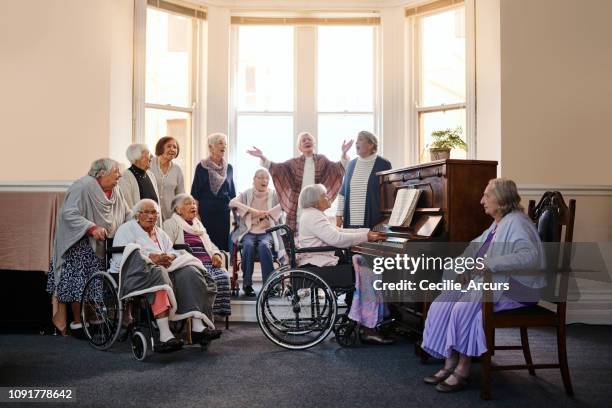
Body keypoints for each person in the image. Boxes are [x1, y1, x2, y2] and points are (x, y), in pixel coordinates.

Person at [421, 178, 545, 392]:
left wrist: (490, 264)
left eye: (487, 195)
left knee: (464, 308)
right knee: (444, 302)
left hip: (516, 290)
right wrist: (462, 267)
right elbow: (474, 249)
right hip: (496, 285)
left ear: (502, 199)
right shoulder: (498, 224)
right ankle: (449, 361)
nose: (481, 201)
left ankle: (462, 367)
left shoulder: (517, 223)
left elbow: (530, 256)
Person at [111, 199, 221, 349]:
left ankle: (197, 326)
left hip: (164, 268)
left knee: (190, 271)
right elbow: (124, 256)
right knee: (158, 273)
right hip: (139, 271)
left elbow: (171, 250)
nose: (151, 216)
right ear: (138, 215)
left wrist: (170, 257)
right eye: (147, 212)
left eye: (154, 213)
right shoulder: (126, 229)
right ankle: (165, 335)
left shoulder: (160, 232)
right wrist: (150, 258)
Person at [297, 184, 394, 345]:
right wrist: (367, 236)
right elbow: (336, 239)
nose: (328, 198)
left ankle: (361, 318)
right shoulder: (314, 216)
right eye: (324, 196)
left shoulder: (312, 214)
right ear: (315, 202)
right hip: (320, 263)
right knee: (366, 273)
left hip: (321, 258)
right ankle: (366, 326)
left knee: (363, 267)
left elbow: (338, 232)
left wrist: (367, 232)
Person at [46, 158, 131, 336]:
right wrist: (91, 227)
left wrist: (137, 221)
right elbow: (68, 213)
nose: (120, 175)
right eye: (116, 171)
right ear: (101, 173)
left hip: (104, 244)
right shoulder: (82, 186)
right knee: (80, 282)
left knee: (96, 282)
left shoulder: (116, 191)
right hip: (79, 242)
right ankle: (79, 323)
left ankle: (94, 319)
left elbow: (125, 212)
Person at [247, 132, 351, 232]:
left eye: (309, 139)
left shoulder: (322, 160)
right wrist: (261, 156)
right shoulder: (293, 163)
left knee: (315, 236)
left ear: (314, 144)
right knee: (298, 240)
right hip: (298, 208)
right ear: (299, 147)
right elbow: (276, 168)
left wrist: (344, 153)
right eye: (303, 140)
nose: (307, 141)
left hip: (316, 206)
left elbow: (338, 169)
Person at [164, 193, 231, 317]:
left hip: (208, 262)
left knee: (223, 276)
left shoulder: (197, 224)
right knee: (206, 280)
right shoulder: (170, 224)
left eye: (194, 203)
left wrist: (216, 254)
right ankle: (204, 315)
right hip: (190, 263)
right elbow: (168, 247)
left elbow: (210, 244)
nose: (193, 205)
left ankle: (211, 315)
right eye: (188, 203)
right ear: (178, 210)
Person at [229, 169, 283, 297]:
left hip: (267, 231)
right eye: (261, 177)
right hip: (249, 231)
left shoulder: (274, 194)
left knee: (264, 245)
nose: (264, 181)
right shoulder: (247, 194)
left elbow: (283, 205)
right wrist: (254, 212)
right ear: (254, 179)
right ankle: (247, 284)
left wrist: (268, 214)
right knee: (248, 245)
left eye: (266, 178)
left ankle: (269, 285)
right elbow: (232, 203)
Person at [336, 131, 392, 229]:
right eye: (356, 140)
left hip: (374, 222)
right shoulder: (351, 165)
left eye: (360, 139)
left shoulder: (383, 164)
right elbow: (343, 192)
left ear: (370, 145)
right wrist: (339, 214)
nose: (356, 142)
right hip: (351, 223)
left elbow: (389, 194)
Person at [191, 133, 236, 251]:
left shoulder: (229, 168)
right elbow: (195, 193)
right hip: (206, 213)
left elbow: (232, 194)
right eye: (220, 143)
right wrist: (196, 215)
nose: (224, 146)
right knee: (206, 245)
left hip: (223, 214)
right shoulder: (201, 167)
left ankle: (222, 269)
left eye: (225, 144)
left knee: (222, 247)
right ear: (211, 147)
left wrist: (237, 217)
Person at [150, 136, 185, 221]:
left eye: (175, 147)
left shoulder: (177, 170)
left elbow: (180, 195)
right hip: (150, 213)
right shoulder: (149, 164)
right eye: (169, 146)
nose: (172, 149)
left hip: (170, 216)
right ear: (160, 148)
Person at [118, 143, 160, 213]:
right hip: (137, 222)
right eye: (148, 153)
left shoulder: (151, 175)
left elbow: (157, 204)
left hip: (154, 221)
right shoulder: (125, 176)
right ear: (137, 157)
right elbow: (128, 207)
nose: (152, 156)